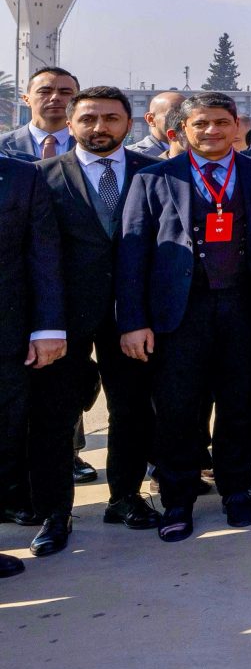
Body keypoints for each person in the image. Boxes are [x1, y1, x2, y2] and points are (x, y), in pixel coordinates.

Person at [117, 92, 251, 542]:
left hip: (242, 310)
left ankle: (236, 490)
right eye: (201, 124)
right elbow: (133, 254)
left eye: (221, 122)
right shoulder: (154, 178)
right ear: (182, 130)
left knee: (239, 404)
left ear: (237, 126)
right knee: (177, 409)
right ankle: (177, 498)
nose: (212, 131)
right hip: (178, 314)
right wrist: (133, 321)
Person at [28, 87, 154, 551]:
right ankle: (55, 512)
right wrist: (43, 323)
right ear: (70, 123)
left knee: (132, 409)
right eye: (88, 119)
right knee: (55, 416)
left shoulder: (152, 173)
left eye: (111, 118)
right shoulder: (40, 176)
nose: (100, 127)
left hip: (133, 315)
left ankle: (125, 496)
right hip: (63, 318)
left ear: (129, 124)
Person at [0, 133, 63, 572]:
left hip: (7, 335)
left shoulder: (22, 177)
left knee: (4, 438)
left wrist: (47, 327)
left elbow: (42, 254)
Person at [3, 66, 79, 160]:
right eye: (45, 92)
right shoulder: (2, 146)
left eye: (65, 92)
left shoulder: (91, 146)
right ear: (26, 99)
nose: (55, 97)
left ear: (78, 100)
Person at [129, 89, 184, 159]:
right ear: (151, 119)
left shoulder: (195, 153)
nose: (182, 120)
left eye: (186, 115)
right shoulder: (130, 156)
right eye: (174, 115)